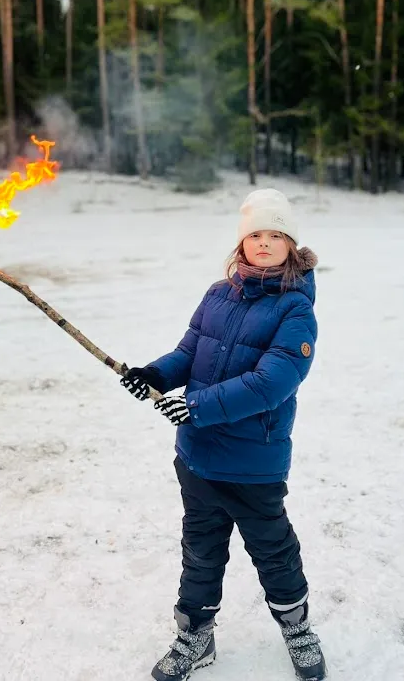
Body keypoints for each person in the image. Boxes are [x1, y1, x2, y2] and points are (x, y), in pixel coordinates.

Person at [121, 188, 326, 681]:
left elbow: (272, 382)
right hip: (197, 456)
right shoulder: (218, 294)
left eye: (275, 235)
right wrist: (154, 375)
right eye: (255, 234)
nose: (264, 242)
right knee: (200, 551)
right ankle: (195, 634)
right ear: (241, 243)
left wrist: (197, 407)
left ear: (291, 246)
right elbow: (188, 352)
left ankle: (297, 629)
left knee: (274, 552)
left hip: (253, 462)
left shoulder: (296, 310)